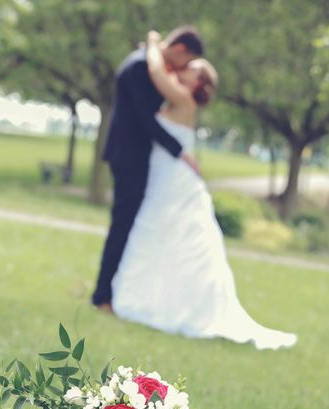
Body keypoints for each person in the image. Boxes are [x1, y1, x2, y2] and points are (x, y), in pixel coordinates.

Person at [110, 31, 297, 350]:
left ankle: (164, 304)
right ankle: (145, 297)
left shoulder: (182, 100)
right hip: (164, 174)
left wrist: (154, 42)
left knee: (167, 235)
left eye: (192, 69)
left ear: (198, 84)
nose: (183, 70)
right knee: (157, 236)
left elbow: (157, 71)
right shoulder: (176, 96)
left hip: (172, 177)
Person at [92, 26, 205, 313]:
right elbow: (145, 120)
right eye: (186, 61)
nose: (182, 68)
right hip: (130, 157)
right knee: (123, 225)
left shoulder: (146, 61)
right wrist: (181, 152)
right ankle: (103, 295)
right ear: (180, 50)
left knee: (130, 226)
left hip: (133, 157)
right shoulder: (143, 66)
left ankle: (114, 291)